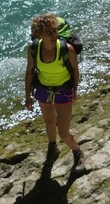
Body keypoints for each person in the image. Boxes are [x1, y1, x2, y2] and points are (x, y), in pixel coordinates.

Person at [25, 13, 86, 172]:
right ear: (39, 35)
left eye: (55, 31)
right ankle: (53, 147)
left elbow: (75, 71)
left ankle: (78, 152)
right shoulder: (33, 48)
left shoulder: (68, 50)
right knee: (49, 122)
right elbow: (29, 72)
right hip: (43, 90)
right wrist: (27, 96)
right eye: (49, 33)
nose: (54, 35)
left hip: (63, 90)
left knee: (64, 133)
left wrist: (75, 91)